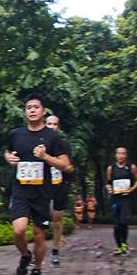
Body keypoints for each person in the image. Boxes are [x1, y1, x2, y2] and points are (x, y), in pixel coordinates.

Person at [4, 93, 73, 275]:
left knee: (38, 234)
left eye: (36, 107)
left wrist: (45, 157)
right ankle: (25, 255)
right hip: (21, 190)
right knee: (19, 230)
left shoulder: (52, 137)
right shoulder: (16, 134)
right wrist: (8, 158)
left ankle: (37, 269)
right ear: (25, 112)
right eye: (29, 107)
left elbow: (66, 165)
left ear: (43, 111)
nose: (32, 110)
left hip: (42, 193)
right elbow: (8, 151)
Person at [44, 114, 75, 266]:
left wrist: (62, 165)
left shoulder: (64, 145)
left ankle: (55, 250)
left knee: (57, 219)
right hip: (42, 186)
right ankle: (39, 249)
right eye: (49, 124)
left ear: (58, 127)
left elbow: (69, 168)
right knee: (40, 220)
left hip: (59, 186)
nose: (52, 127)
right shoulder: (39, 144)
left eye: (54, 124)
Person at [106, 147, 137, 256]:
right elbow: (108, 183)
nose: (121, 156)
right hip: (115, 198)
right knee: (116, 224)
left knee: (123, 221)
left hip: (126, 198)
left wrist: (132, 189)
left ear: (126, 155)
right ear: (115, 155)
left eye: (123, 154)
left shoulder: (131, 167)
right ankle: (119, 247)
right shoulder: (111, 168)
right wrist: (109, 189)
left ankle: (124, 243)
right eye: (119, 153)